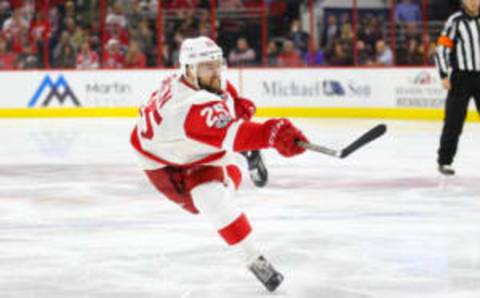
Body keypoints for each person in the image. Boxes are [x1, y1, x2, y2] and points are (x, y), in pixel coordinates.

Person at [130, 36, 309, 292]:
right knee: (197, 205)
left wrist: (234, 105)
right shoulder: (188, 109)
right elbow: (228, 128)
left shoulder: (187, 79)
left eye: (217, 64)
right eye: (207, 66)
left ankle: (253, 259)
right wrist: (273, 133)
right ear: (189, 70)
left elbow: (222, 90)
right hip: (159, 161)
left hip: (188, 146)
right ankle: (241, 154)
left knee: (210, 198)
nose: (215, 72)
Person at [435, 0, 480, 175]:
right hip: (461, 78)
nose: (474, 3)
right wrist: (444, 74)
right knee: (453, 122)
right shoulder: (455, 20)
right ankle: (445, 161)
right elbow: (442, 49)